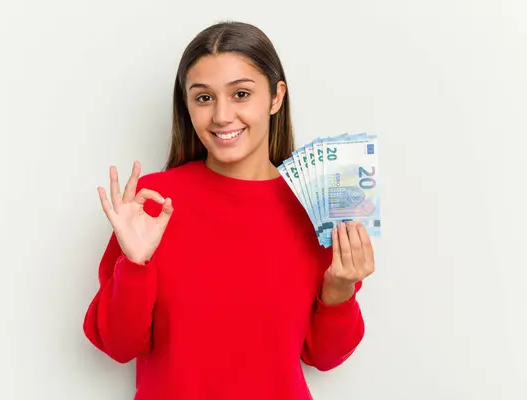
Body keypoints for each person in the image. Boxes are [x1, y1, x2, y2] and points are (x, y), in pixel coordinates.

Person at [83, 20, 375, 400]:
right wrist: (135, 267)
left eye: (240, 94)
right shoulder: (152, 202)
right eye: (204, 98)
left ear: (275, 97)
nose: (221, 116)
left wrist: (339, 290)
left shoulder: (318, 207)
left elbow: (324, 356)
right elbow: (118, 346)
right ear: (187, 106)